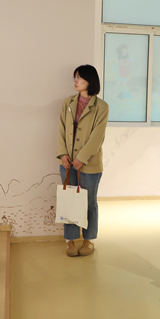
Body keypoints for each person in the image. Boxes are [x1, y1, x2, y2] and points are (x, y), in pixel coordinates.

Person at [56, 65, 109, 257]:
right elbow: (61, 129)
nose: (75, 81)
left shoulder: (101, 107)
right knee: (70, 200)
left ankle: (89, 239)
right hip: (67, 162)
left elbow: (97, 137)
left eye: (79, 77)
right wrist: (63, 154)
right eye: (75, 77)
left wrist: (82, 158)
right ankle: (70, 240)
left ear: (90, 80)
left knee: (89, 203)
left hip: (90, 164)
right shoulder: (68, 102)